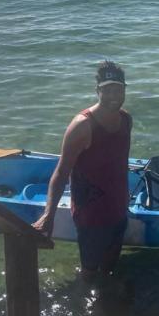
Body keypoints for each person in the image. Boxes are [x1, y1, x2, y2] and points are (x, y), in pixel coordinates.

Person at [32, 61, 132, 277]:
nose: (113, 94)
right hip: (91, 216)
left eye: (118, 88)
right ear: (98, 91)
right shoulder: (82, 126)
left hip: (118, 209)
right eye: (107, 89)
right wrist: (48, 217)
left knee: (110, 269)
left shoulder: (126, 120)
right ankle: (86, 303)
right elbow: (61, 173)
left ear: (125, 89)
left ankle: (108, 305)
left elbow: (119, 161)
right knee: (89, 272)